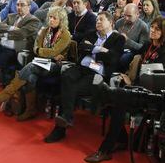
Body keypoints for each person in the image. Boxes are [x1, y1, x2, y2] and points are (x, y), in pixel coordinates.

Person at [85, 17, 165, 163]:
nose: (152, 30)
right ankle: (119, 140)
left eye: (157, 29)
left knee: (117, 97)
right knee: (117, 98)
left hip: (152, 94)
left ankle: (105, 150)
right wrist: (126, 75)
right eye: (152, 27)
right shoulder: (148, 44)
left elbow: (159, 80)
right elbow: (130, 59)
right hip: (138, 87)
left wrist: (132, 82)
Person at [44, 12, 125, 143]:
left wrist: (92, 48)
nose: (97, 22)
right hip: (81, 68)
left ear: (111, 23)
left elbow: (113, 58)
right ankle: (67, 118)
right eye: (97, 19)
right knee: (66, 75)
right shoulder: (91, 33)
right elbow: (82, 47)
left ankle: (61, 127)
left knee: (71, 88)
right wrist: (101, 50)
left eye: (101, 20)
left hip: (97, 74)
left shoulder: (118, 39)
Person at [0, 6, 71, 121]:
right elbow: (35, 47)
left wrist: (44, 52)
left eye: (55, 18)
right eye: (50, 17)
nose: (51, 20)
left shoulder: (65, 34)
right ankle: (30, 110)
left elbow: (54, 51)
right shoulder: (45, 30)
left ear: (61, 20)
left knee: (31, 66)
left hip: (55, 66)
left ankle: (8, 91)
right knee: (31, 77)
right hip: (41, 62)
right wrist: (45, 52)